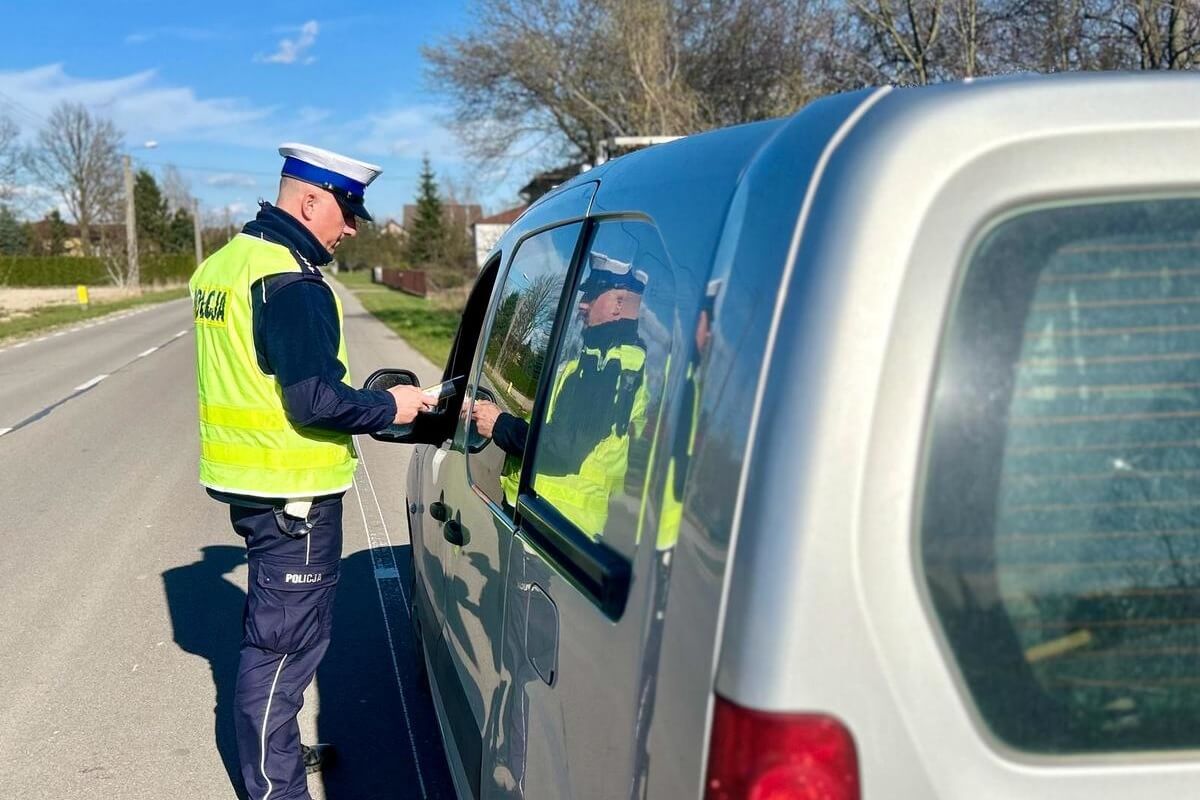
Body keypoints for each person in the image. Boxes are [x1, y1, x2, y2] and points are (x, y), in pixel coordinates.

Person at [188, 143, 434, 800]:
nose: (350, 228)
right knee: (284, 650)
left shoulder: (227, 263)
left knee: (276, 637)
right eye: (347, 212)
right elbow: (314, 399)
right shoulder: (291, 281)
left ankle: (278, 755)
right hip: (291, 494)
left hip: (253, 481)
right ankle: (276, 787)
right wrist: (393, 403)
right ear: (310, 200)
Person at [472, 252, 649, 538]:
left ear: (617, 304)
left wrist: (499, 424)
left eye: (591, 295)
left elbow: (563, 448)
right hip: (553, 520)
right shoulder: (602, 359)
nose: (581, 304)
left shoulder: (611, 366)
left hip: (552, 523)